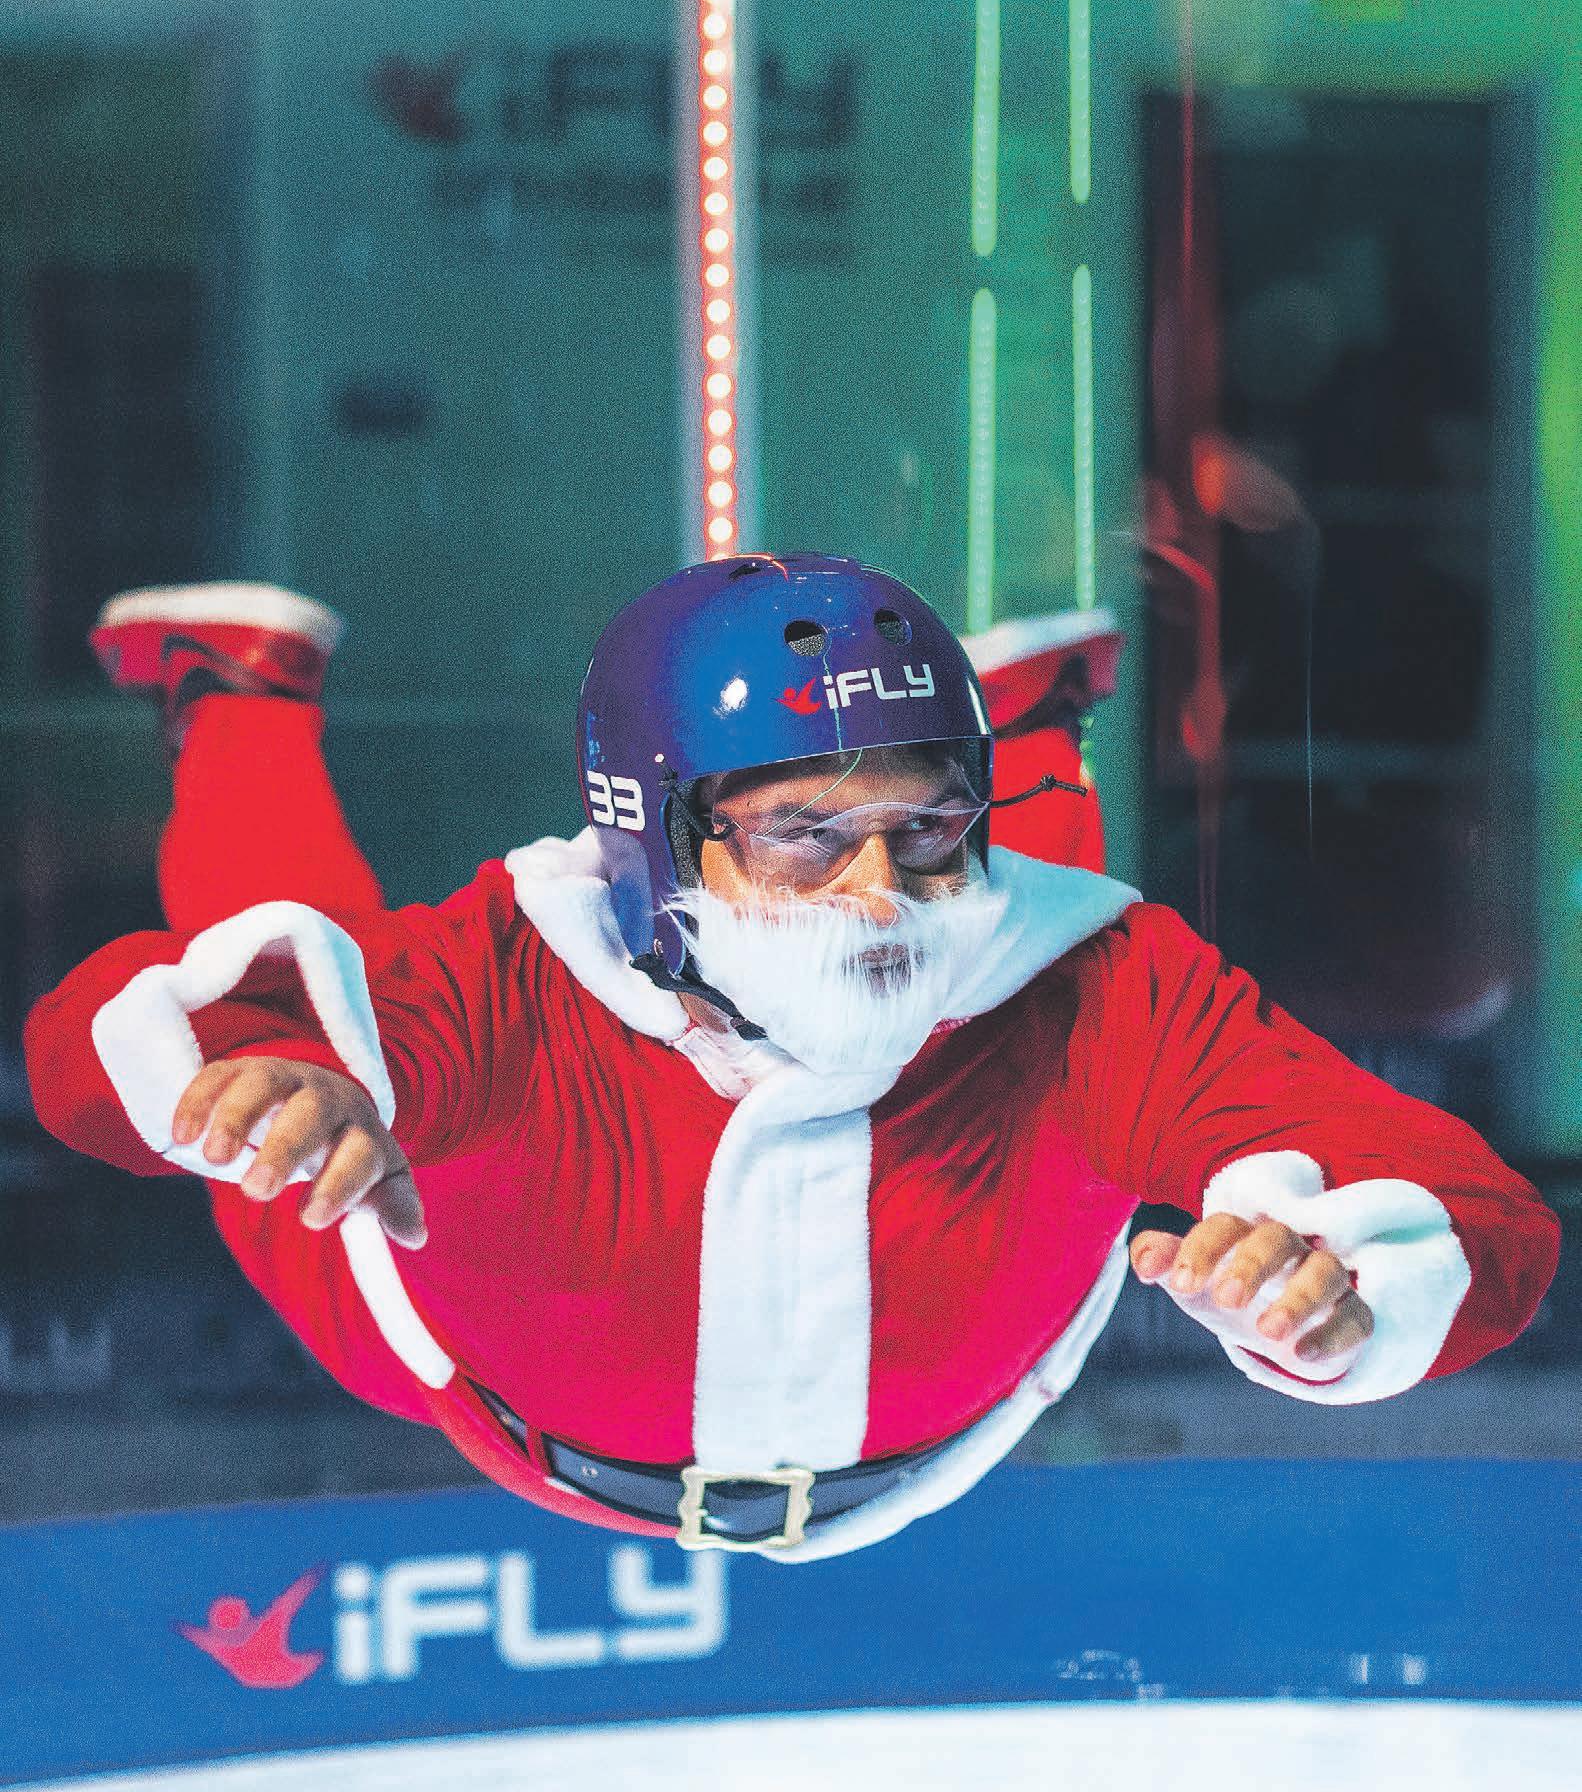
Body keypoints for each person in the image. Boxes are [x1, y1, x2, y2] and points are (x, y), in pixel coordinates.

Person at [25, 554, 1558, 1562]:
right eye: (803, 833)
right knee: (278, 955)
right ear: (649, 837)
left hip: (943, 1445)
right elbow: (115, 1048)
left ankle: (1021, 741)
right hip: (460, 1383)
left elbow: (1484, 1222)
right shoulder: (510, 969)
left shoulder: (1099, 975)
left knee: (1030, 930)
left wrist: (1343, 1288)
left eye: (930, 818)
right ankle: (237, 696)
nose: (879, 889)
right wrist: (253, 1076)